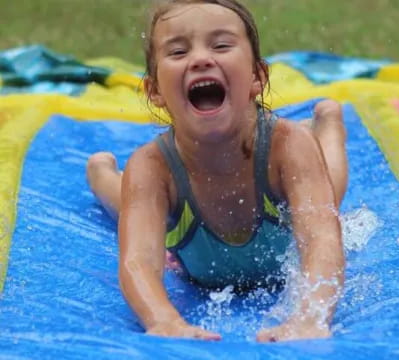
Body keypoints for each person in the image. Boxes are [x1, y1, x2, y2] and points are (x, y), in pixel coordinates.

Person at [86, 0, 347, 342]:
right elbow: (139, 261)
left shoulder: (288, 146)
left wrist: (311, 316)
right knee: (128, 203)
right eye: (178, 52)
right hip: (185, 226)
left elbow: (319, 239)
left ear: (257, 76)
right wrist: (163, 321)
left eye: (221, 45)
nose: (200, 59)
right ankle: (99, 171)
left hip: (287, 174)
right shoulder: (152, 167)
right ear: (155, 92)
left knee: (330, 193)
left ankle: (327, 125)